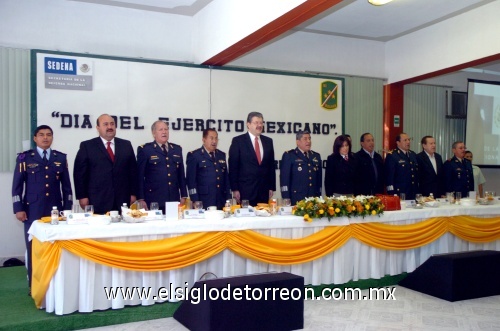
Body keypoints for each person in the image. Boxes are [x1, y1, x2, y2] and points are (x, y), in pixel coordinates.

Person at [12, 125, 73, 293]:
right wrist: (18, 208)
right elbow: (16, 186)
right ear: (35, 138)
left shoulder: (60, 157)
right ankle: (35, 285)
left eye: (49, 135)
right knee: (33, 249)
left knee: (55, 247)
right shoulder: (25, 158)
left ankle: (54, 284)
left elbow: (67, 187)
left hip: (55, 211)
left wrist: (67, 209)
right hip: (32, 211)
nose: (45, 138)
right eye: (41, 135)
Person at [74, 114, 138, 214]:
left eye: (112, 124)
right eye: (105, 124)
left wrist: (133, 193)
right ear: (97, 128)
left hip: (123, 200)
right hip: (97, 200)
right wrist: (82, 196)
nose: (109, 127)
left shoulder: (126, 145)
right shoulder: (87, 146)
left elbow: (133, 172)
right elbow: (79, 174)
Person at [137, 120, 187, 211]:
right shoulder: (145, 150)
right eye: (161, 129)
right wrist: (141, 198)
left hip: (173, 199)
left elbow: (181, 175)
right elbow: (139, 176)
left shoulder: (177, 149)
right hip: (154, 199)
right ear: (154, 133)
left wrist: (183, 195)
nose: (164, 132)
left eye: (166, 129)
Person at [228, 112, 276, 206]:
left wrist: (271, 187)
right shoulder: (238, 141)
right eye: (256, 122)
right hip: (245, 191)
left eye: (261, 123)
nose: (259, 125)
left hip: (263, 191)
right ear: (248, 124)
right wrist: (235, 189)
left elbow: (271, 166)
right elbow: (233, 167)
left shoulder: (268, 141)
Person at [186, 129, 230, 209]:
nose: (214, 141)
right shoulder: (195, 155)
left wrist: (228, 197)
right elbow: (191, 181)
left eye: (216, 138)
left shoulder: (221, 155)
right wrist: (195, 199)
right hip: (203, 200)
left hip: (221, 199)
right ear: (204, 139)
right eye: (211, 138)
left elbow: (226, 179)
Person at [279, 130, 322, 205]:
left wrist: (318, 195)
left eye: (309, 138)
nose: (308, 141)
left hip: (313, 198)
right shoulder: (289, 155)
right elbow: (284, 179)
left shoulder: (316, 156)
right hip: (296, 198)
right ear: (298, 142)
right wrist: (286, 197)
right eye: (305, 139)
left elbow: (319, 179)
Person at [384, 133, 419, 200]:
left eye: (409, 139)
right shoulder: (392, 156)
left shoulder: (413, 155)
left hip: (413, 193)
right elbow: (389, 177)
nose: (408, 142)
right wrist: (392, 194)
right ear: (398, 142)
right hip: (400, 194)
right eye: (405, 140)